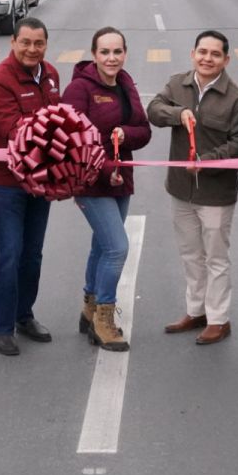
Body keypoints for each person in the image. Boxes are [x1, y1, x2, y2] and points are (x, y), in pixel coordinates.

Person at [147, 30, 238, 346]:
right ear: (193, 54)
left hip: (216, 192)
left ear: (225, 60)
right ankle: (196, 311)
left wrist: (207, 160)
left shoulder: (237, 98)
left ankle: (219, 319)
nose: (207, 58)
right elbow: (153, 110)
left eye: (215, 54)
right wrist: (178, 114)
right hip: (181, 189)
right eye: (202, 52)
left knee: (216, 257)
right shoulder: (178, 84)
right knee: (191, 254)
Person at [62, 27, 152, 352]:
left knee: (102, 245)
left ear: (125, 53)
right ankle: (104, 319)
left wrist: (124, 135)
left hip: (120, 179)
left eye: (117, 52)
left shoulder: (126, 84)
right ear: (94, 54)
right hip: (90, 180)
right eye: (105, 52)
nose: (111, 58)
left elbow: (144, 131)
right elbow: (72, 140)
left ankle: (88, 308)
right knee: (117, 247)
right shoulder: (79, 89)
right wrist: (107, 166)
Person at [0, 17, 60, 356]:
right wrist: (61, 138)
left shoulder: (52, 75)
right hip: (6, 183)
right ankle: (2, 328)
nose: (32, 49)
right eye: (25, 42)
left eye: (38, 43)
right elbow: (15, 130)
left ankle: (24, 315)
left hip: (41, 180)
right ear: (13, 42)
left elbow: (59, 117)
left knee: (33, 254)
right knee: (9, 254)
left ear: (45, 45)